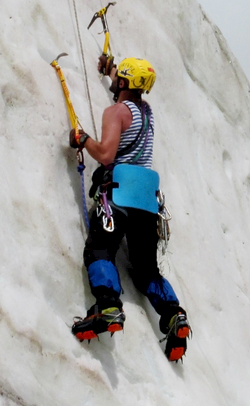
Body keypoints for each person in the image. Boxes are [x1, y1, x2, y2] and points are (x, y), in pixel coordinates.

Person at [68, 55, 191, 361]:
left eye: (118, 77)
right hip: (146, 201)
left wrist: (82, 139)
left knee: (100, 249)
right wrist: (110, 69)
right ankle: (174, 315)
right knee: (147, 269)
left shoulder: (116, 112)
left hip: (118, 192)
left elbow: (107, 155)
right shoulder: (146, 114)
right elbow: (126, 85)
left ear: (123, 82)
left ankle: (108, 306)